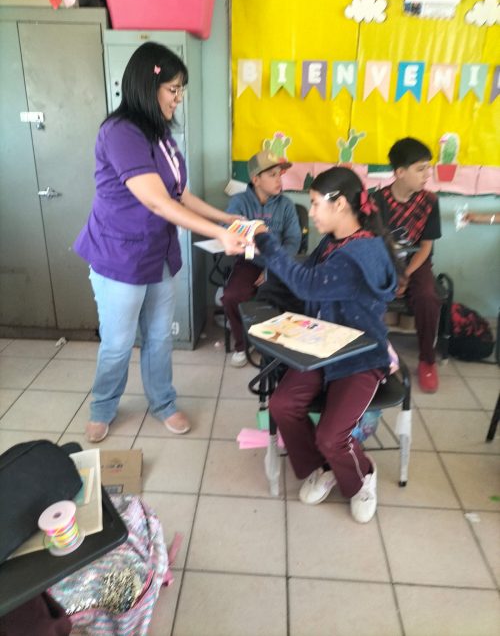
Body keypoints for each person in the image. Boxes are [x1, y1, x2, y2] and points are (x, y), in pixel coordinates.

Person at [74, 42, 246, 443]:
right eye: (173, 89)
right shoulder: (119, 132)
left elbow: (179, 193)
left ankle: (164, 402)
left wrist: (226, 219)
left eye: (181, 88)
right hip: (119, 256)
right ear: (147, 86)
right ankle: (103, 407)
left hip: (158, 254)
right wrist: (218, 234)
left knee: (159, 336)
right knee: (118, 343)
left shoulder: (162, 135)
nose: (179, 97)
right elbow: (155, 200)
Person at [252, 166, 399, 524]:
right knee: (282, 405)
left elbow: (308, 284)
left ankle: (361, 476)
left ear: (341, 203)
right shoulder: (335, 240)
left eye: (317, 203)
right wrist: (255, 249)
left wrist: (266, 242)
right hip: (324, 344)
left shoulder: (360, 253)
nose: (312, 213)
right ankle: (325, 467)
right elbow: (306, 275)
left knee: (331, 436)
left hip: (359, 354)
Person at [372, 137, 442, 393]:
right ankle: (373, 355)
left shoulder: (430, 202)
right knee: (367, 292)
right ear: (400, 172)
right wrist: (393, 275)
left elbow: (426, 247)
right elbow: (371, 244)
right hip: (382, 261)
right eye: (420, 169)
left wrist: (406, 274)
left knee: (428, 297)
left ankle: (427, 360)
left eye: (428, 168)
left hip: (415, 262)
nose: (427, 174)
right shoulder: (376, 201)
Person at [222, 150, 302, 367]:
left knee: (287, 297)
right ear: (256, 179)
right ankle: (242, 344)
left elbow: (293, 241)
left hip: (280, 264)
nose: (279, 180)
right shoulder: (239, 202)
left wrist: (272, 269)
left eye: (280, 174)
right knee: (231, 296)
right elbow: (226, 230)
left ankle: (275, 344)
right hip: (249, 262)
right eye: (272, 175)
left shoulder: (286, 204)